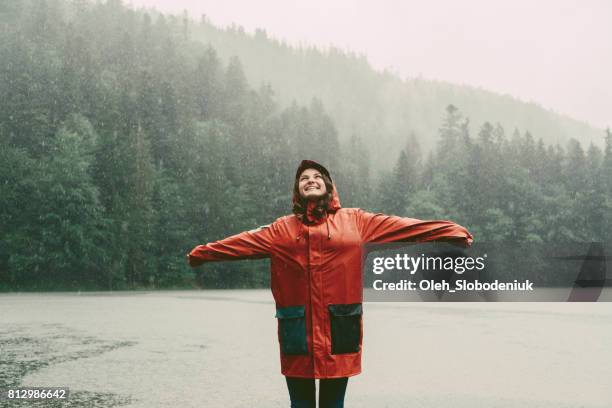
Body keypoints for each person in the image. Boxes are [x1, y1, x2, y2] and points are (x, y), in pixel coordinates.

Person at [187, 159, 473, 408]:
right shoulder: (280, 230)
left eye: (316, 177)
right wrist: (202, 254)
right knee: (300, 404)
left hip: (340, 327)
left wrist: (451, 231)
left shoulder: (357, 222)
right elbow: (240, 243)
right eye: (303, 179)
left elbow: (405, 227)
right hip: (297, 328)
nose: (310, 181)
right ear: (297, 190)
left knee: (333, 405)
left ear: (328, 186)